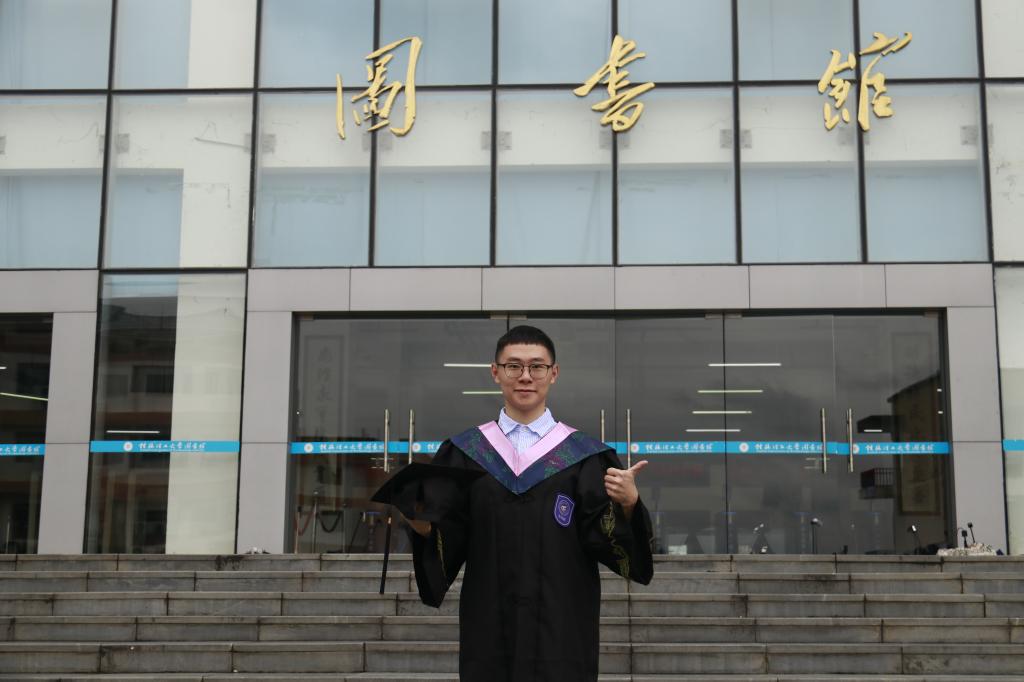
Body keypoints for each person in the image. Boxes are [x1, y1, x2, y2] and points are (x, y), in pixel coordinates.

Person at [403, 325, 653, 681]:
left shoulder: (584, 457)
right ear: (496, 372)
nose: (525, 376)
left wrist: (628, 504)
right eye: (513, 366)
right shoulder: (466, 453)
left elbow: (607, 539)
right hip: (490, 623)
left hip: (561, 625)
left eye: (537, 366)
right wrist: (422, 526)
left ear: (554, 373)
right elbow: (450, 532)